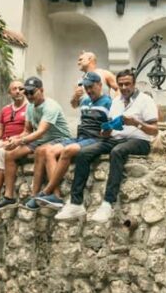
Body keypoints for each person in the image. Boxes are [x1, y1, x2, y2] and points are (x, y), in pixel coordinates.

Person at [55, 69, 158, 223]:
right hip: (116, 138)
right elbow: (108, 129)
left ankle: (108, 204)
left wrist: (136, 123)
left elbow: (154, 130)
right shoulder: (116, 101)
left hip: (139, 140)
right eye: (121, 84)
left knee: (117, 152)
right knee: (83, 152)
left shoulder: (145, 100)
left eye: (127, 84)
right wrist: (106, 130)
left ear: (134, 84)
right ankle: (76, 203)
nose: (123, 87)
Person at [27, 72, 112, 210]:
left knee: (68, 150)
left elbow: (111, 125)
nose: (89, 90)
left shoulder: (108, 102)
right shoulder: (86, 100)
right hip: (80, 137)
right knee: (48, 151)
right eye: (86, 87)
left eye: (91, 87)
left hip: (95, 138)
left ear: (99, 85)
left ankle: (46, 192)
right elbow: (73, 104)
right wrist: (75, 96)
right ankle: (56, 196)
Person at [0, 77, 72, 211]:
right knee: (9, 154)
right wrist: (14, 139)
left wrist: (20, 141)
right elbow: (27, 131)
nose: (28, 96)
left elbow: (40, 131)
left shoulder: (51, 106)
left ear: (41, 90)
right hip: (40, 140)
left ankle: (53, 196)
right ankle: (9, 197)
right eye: (26, 92)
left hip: (59, 138)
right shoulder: (30, 107)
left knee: (41, 151)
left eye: (31, 92)